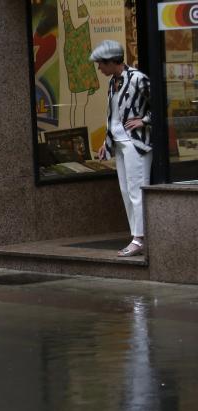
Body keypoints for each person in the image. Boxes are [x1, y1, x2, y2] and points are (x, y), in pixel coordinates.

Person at [90, 40, 153, 257]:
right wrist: (106, 143)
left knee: (137, 190)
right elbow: (114, 116)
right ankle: (137, 236)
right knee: (127, 191)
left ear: (111, 61)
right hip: (119, 143)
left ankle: (140, 239)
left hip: (136, 143)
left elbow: (161, 103)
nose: (99, 68)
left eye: (101, 64)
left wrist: (144, 120)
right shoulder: (113, 82)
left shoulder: (138, 78)